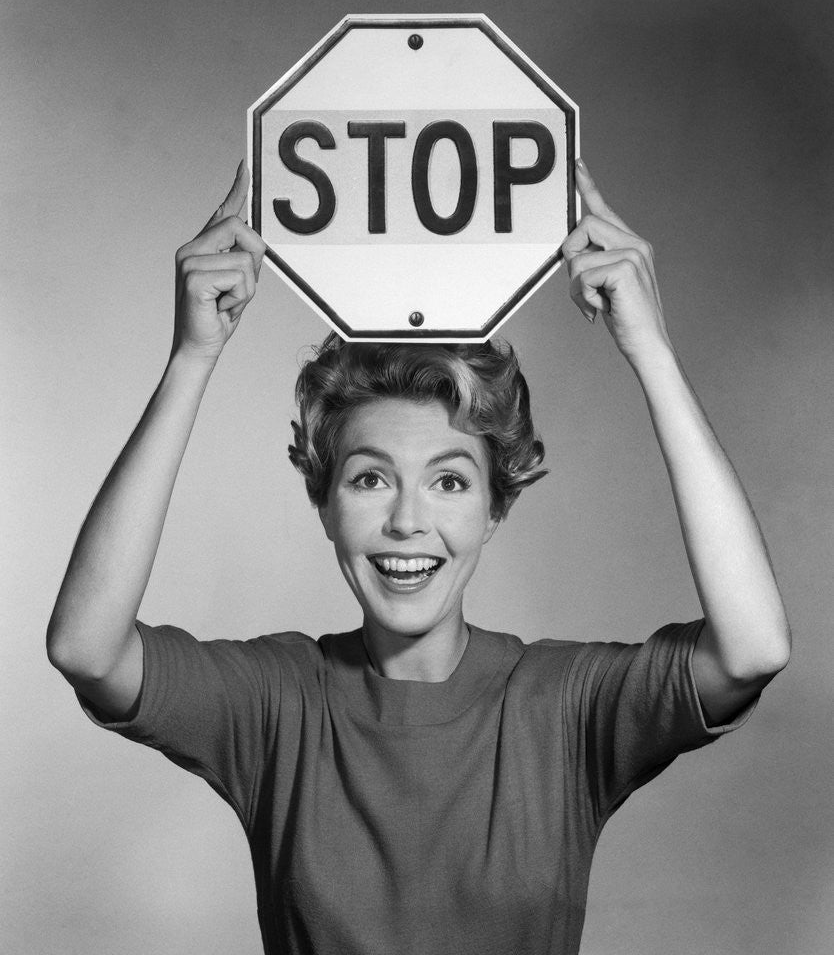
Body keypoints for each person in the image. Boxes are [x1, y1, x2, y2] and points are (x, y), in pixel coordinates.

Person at [47, 158, 791, 955]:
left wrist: (652, 352)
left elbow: (751, 648)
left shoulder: (561, 707)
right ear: (323, 500)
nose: (407, 521)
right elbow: (87, 647)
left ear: (496, 504)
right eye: (370, 478)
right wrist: (190, 358)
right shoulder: (277, 706)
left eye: (448, 480)